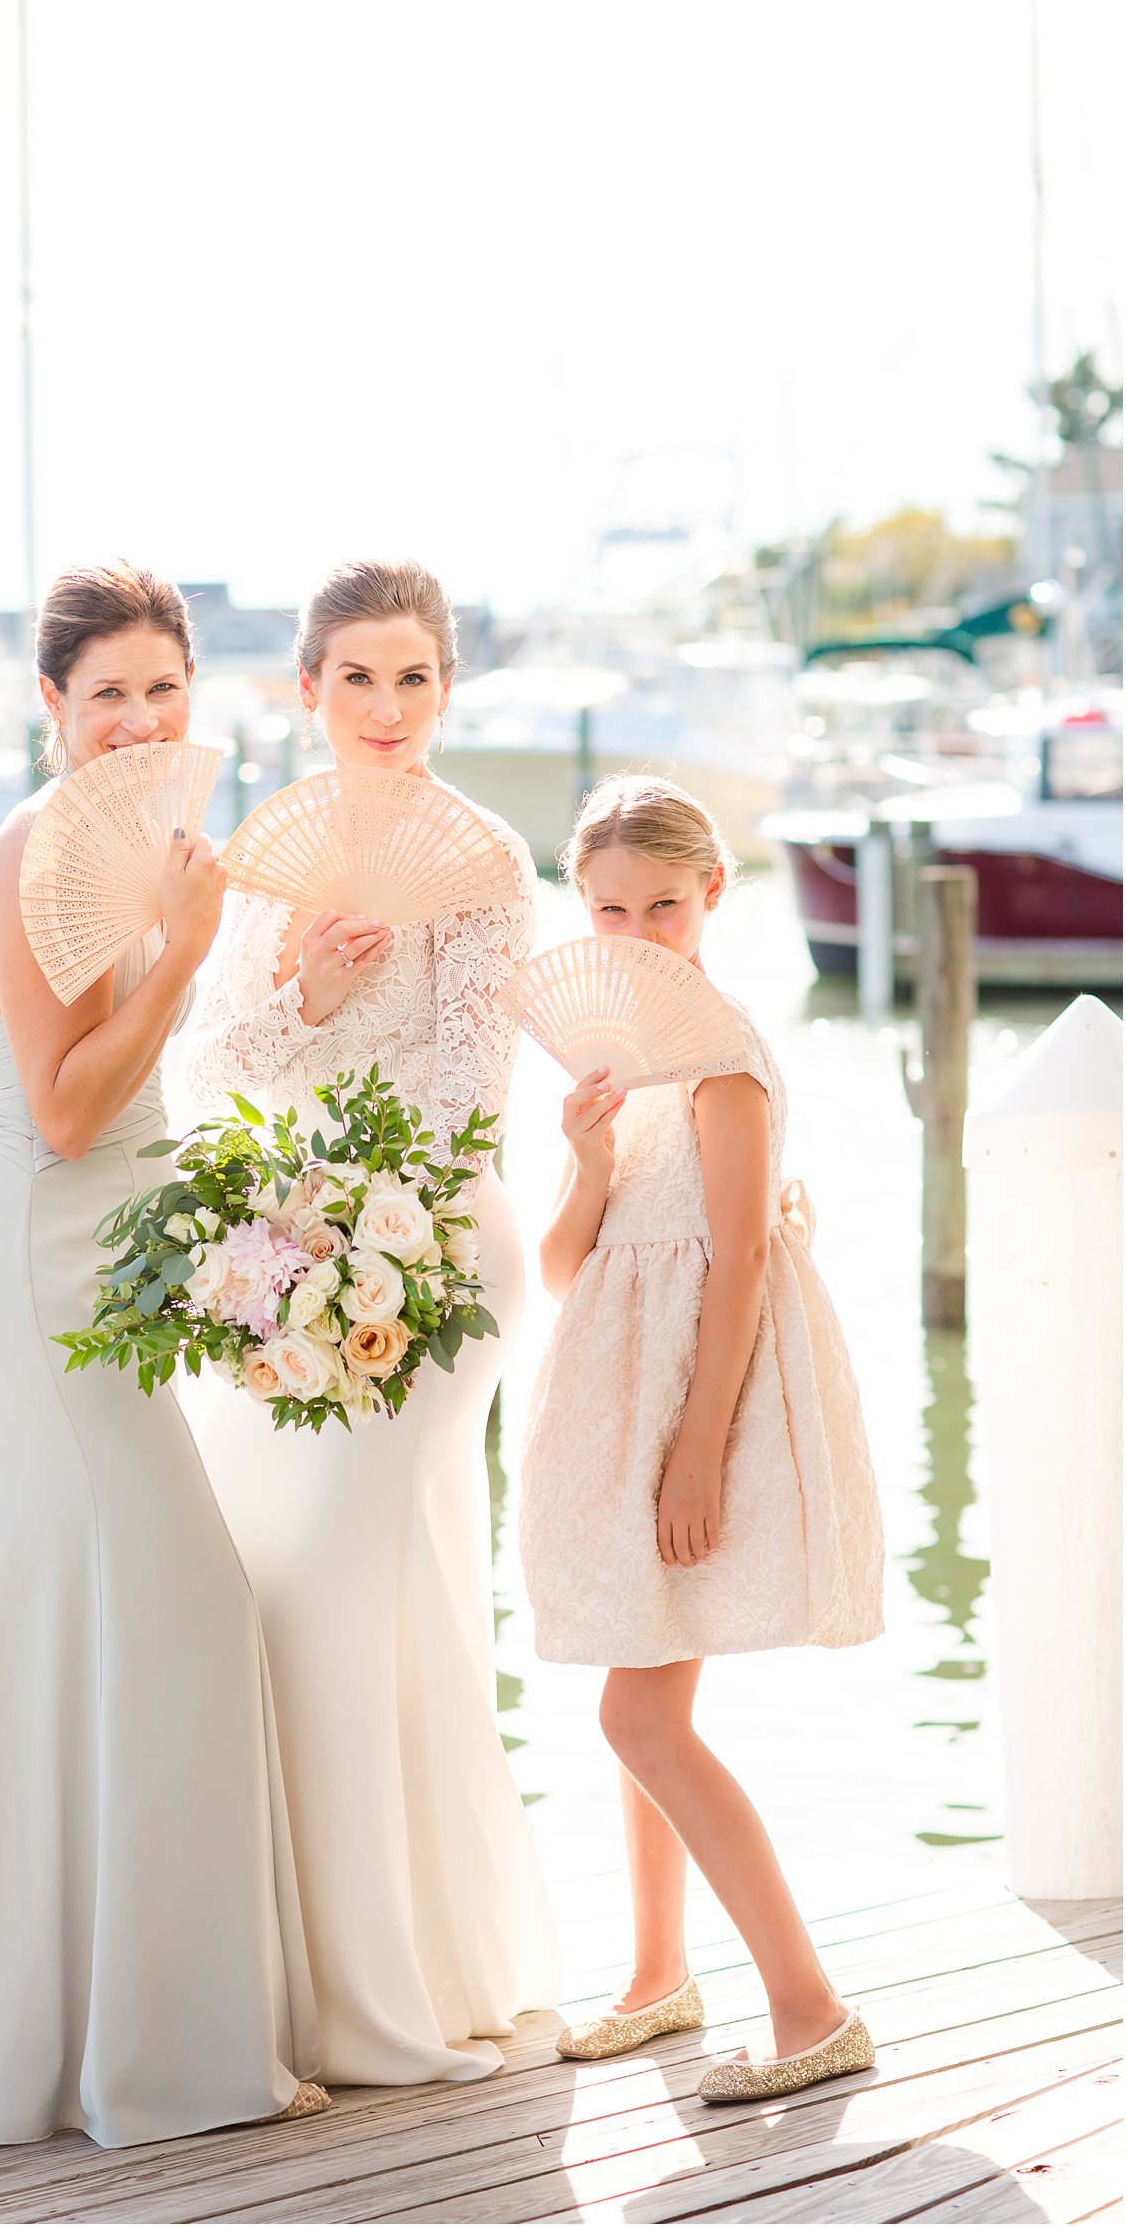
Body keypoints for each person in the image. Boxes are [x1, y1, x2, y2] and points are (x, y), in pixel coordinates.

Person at [0, 562, 324, 2149]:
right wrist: (185, 953)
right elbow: (61, 1112)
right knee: (184, 1608)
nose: (139, 718)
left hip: (93, 1265)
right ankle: (151, 2055)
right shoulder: (43, 849)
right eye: (106, 691)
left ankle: (42, 2040)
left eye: (164, 690)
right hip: (36, 1270)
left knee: (53, 1621)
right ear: (49, 704)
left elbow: (144, 1094)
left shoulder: (149, 854)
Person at [183, 557, 560, 2087]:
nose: (388, 708)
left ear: (447, 688)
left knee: (354, 1559)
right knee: (276, 1572)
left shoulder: (486, 860)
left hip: (436, 1255)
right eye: (359, 678)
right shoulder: (266, 866)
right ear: (308, 692)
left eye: (415, 678)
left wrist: (357, 1226)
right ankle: (290, 1963)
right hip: (288, 1255)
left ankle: (387, 1984)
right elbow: (207, 1077)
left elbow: (477, 1095)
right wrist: (309, 1007)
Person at [520, 774, 884, 2104]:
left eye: (662, 905)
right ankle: (657, 1976)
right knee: (637, 1689)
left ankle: (809, 2001)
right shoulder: (616, 1070)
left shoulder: (724, 1061)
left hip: (691, 1405)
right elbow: (566, 1270)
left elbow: (736, 1267)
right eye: (609, 908)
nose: (636, 932)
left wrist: (697, 1448)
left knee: (640, 1710)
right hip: (614, 1402)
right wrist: (590, 1158)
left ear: (712, 896)